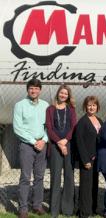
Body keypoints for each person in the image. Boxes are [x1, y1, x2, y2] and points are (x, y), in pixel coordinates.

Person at [13, 79, 49, 218]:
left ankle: (37, 205)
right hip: (27, 146)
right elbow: (17, 128)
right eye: (31, 88)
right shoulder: (19, 105)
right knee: (25, 178)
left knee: (39, 177)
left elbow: (48, 126)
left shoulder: (45, 105)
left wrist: (44, 140)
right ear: (27, 90)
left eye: (36, 88)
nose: (34, 91)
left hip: (42, 145)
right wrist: (34, 141)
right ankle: (23, 209)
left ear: (40, 90)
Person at [45, 85, 77, 217]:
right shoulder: (50, 109)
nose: (63, 95)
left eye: (66, 94)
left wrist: (65, 141)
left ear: (68, 96)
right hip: (54, 145)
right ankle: (54, 210)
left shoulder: (71, 110)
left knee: (69, 177)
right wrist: (59, 142)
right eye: (61, 93)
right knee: (55, 177)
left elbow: (73, 127)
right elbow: (49, 128)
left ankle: (68, 209)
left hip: (68, 145)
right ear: (58, 94)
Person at [75, 96, 103, 218]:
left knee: (94, 184)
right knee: (86, 186)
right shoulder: (82, 122)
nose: (92, 107)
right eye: (89, 105)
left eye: (94, 105)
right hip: (87, 160)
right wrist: (85, 160)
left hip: (97, 159)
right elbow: (79, 142)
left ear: (97, 107)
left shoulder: (99, 120)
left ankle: (93, 208)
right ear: (85, 107)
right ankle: (84, 212)